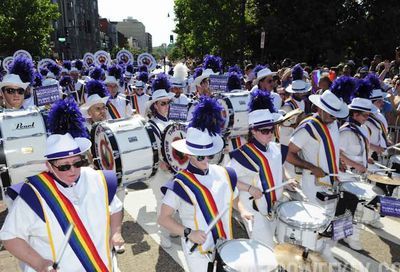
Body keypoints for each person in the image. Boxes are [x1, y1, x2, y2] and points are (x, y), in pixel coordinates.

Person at [0, 133, 124, 272]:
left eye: (77, 163)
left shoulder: (98, 179)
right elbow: (9, 236)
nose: (73, 170)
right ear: (49, 166)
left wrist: (115, 232)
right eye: (64, 166)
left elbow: (115, 208)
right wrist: (39, 263)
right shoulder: (33, 195)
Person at [158, 103, 246, 271]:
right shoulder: (179, 184)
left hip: (225, 244)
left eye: (210, 155)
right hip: (198, 251)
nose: (206, 161)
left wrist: (242, 210)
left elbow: (232, 199)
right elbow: (163, 218)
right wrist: (188, 232)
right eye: (200, 157)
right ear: (188, 154)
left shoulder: (223, 173)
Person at [286, 90, 349, 263]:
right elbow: (289, 155)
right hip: (313, 182)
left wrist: (338, 161)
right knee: (315, 220)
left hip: (333, 178)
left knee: (330, 216)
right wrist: (311, 166)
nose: (334, 117)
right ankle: (309, 254)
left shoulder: (334, 123)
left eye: (336, 114)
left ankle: (323, 250)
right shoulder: (307, 128)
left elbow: (332, 147)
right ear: (319, 108)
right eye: (330, 113)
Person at [227, 97, 285, 248]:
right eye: (265, 131)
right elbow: (226, 177)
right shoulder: (243, 155)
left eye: (272, 129)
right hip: (255, 210)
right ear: (253, 131)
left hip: (274, 206)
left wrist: (287, 179)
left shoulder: (273, 147)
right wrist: (249, 188)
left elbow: (277, 169)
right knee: (264, 248)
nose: (270, 134)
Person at [338, 97, 373, 250]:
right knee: (346, 205)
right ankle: (344, 235)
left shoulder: (362, 128)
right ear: (355, 114)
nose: (367, 118)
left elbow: (362, 148)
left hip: (357, 174)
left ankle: (345, 234)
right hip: (347, 175)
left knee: (353, 205)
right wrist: (356, 165)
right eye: (365, 115)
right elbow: (338, 154)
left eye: (368, 115)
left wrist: (367, 159)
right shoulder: (345, 132)